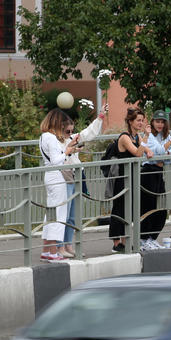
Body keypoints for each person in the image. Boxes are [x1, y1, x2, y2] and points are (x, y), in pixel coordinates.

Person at [59, 104, 108, 258]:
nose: (70, 133)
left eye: (72, 130)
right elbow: (59, 157)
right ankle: (59, 246)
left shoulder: (73, 138)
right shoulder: (56, 141)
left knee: (72, 214)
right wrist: (70, 148)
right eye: (67, 131)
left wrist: (100, 117)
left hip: (74, 176)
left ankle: (68, 245)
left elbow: (88, 133)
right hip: (62, 177)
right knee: (63, 214)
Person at [110, 107, 153, 253]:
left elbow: (145, 150)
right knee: (120, 208)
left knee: (130, 208)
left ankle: (125, 240)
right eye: (138, 120)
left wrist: (149, 150)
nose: (141, 123)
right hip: (122, 177)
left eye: (142, 120)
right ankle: (116, 243)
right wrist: (146, 140)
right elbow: (137, 153)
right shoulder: (125, 137)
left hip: (133, 176)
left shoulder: (136, 137)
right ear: (130, 121)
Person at [39, 109, 79, 261]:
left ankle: (46, 250)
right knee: (59, 214)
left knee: (50, 214)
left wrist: (68, 149)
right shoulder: (51, 137)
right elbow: (57, 159)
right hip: (57, 176)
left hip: (49, 175)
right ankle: (53, 251)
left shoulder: (44, 136)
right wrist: (68, 151)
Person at [139, 110, 171, 250]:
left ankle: (151, 238)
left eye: (162, 122)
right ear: (152, 122)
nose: (160, 124)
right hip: (148, 172)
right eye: (157, 121)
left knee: (161, 209)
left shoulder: (165, 135)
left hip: (160, 172)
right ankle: (142, 239)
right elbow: (158, 151)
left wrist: (166, 152)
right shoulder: (148, 136)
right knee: (148, 207)